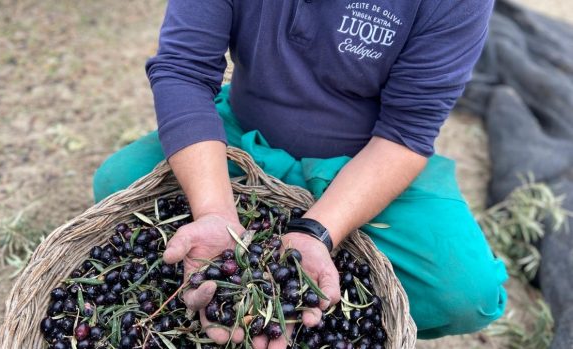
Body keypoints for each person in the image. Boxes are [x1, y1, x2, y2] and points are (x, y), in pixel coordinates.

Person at [93, 0, 508, 347]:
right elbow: (183, 69)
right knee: (118, 184)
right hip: (243, 137)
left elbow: (405, 132)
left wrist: (318, 232)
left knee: (465, 293)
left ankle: (338, 293)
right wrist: (215, 211)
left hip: (366, 163)